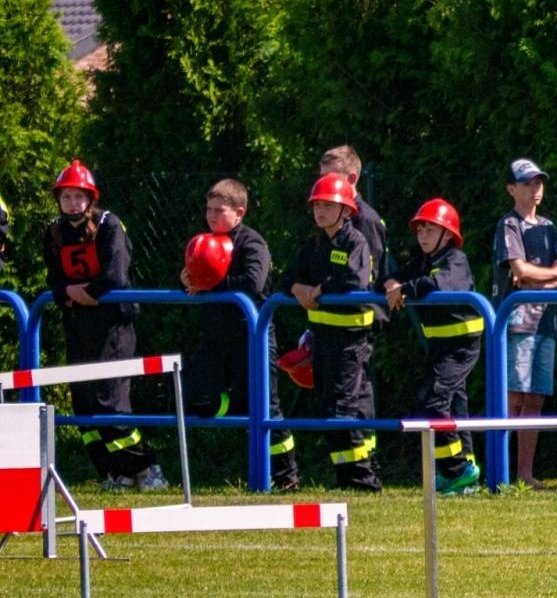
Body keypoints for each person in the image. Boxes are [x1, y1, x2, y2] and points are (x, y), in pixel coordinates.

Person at [43, 160, 164, 490]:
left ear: (91, 198)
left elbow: (115, 278)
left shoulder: (110, 225)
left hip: (112, 327)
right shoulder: (54, 231)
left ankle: (147, 468)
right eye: (66, 197)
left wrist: (79, 295)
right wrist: (66, 293)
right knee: (83, 404)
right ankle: (114, 472)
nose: (72, 204)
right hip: (77, 325)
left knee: (109, 401)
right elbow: (53, 280)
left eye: (79, 197)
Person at [180, 178, 298, 490]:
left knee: (267, 407)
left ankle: (287, 477)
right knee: (194, 395)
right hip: (217, 338)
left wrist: (210, 284)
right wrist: (187, 279)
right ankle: (240, 407)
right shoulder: (202, 241)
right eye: (208, 210)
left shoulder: (252, 243)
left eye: (220, 210)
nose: (212, 216)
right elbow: (194, 280)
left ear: (240, 212)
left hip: (253, 336)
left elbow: (254, 283)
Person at [282, 173, 380, 491]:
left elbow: (354, 281)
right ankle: (347, 478)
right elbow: (287, 276)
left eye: (328, 205)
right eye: (317, 206)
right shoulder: (315, 244)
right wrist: (298, 287)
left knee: (342, 408)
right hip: (323, 340)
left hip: (350, 341)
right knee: (330, 407)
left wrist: (319, 290)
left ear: (346, 210)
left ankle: (363, 479)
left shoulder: (355, 241)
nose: (320, 211)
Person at [385, 199, 483, 496]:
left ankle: (455, 470)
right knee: (454, 404)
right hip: (441, 344)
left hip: (461, 345)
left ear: (448, 234)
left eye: (430, 229)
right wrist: (391, 282)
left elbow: (442, 284)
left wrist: (406, 289)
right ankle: (465, 470)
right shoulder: (423, 261)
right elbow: (398, 279)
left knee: (434, 401)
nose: (423, 235)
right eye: (420, 229)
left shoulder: (456, 259)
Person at [491, 159, 557, 486]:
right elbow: (520, 270)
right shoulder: (508, 225)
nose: (535, 189)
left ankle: (525, 475)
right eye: (527, 183)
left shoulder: (549, 226)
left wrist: (552, 278)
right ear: (511, 189)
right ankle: (501, 473)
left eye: (538, 182)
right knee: (513, 397)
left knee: (536, 399)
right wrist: (554, 273)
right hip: (516, 323)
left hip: (545, 324)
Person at [320, 145, 390, 318]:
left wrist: (322, 289)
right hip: (332, 320)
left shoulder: (366, 220)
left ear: (352, 179)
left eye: (330, 177)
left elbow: (365, 278)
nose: (323, 185)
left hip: (361, 324)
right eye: (321, 178)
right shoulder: (328, 215)